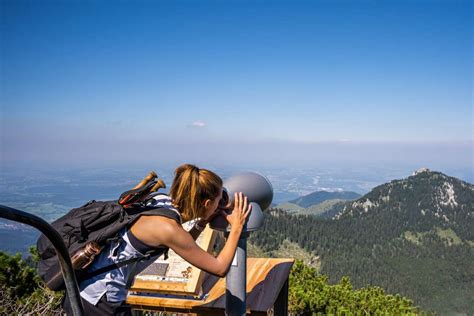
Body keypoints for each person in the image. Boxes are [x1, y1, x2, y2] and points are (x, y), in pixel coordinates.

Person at [63, 164, 252, 315]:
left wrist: (201, 222)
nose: (221, 205)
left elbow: (182, 243)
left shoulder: (162, 201)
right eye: (219, 200)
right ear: (207, 203)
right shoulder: (168, 228)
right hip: (100, 301)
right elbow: (219, 268)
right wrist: (237, 227)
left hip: (84, 290)